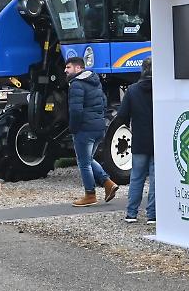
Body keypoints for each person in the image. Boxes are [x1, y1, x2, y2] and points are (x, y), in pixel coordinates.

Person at [65, 56, 117, 207]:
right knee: (87, 159)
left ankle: (90, 194)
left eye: (68, 67)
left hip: (84, 128)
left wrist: (73, 128)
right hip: (98, 127)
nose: (65, 70)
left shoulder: (76, 84)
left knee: (83, 163)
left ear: (78, 68)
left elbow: (75, 110)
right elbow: (104, 101)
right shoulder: (94, 81)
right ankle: (108, 183)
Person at [116, 57, 155, 224]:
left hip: (139, 140)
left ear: (142, 70)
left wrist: (130, 125)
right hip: (158, 141)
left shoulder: (132, 90)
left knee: (136, 177)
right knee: (155, 178)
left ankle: (131, 213)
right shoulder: (161, 89)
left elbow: (122, 116)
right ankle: (152, 215)